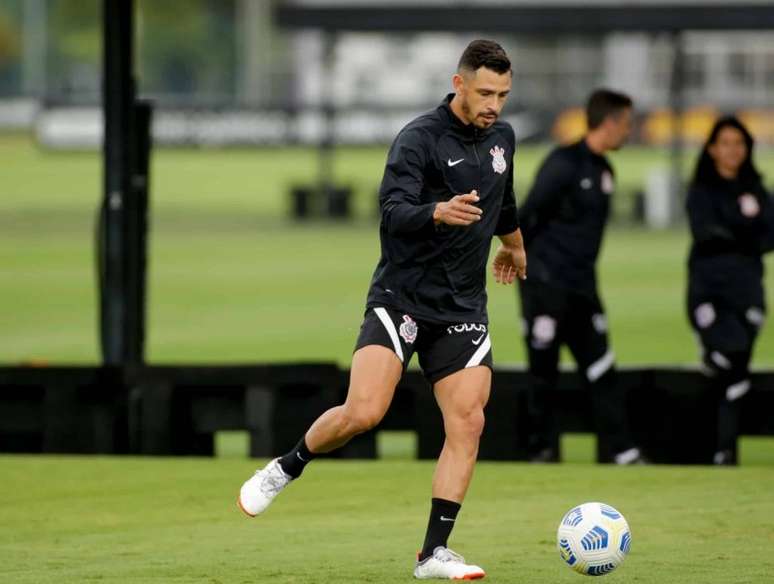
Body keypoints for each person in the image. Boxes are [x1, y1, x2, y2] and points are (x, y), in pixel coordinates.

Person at [237, 39, 526, 580]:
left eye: (504, 95)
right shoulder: (418, 139)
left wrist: (513, 244)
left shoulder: (502, 138)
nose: (494, 105)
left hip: (463, 306)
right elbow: (392, 212)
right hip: (403, 296)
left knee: (469, 423)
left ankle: (433, 553)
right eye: (485, 92)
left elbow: (502, 197)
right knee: (364, 412)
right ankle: (287, 466)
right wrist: (437, 212)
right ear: (458, 83)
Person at [516, 89, 645, 464]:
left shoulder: (605, 170)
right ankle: (539, 453)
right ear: (610, 122)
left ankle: (624, 452)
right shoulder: (563, 163)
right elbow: (527, 217)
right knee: (543, 373)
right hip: (546, 289)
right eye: (627, 124)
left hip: (583, 290)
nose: (629, 131)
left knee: (602, 368)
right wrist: (535, 277)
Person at [686, 116, 774, 466]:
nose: (733, 150)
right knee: (734, 362)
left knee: (734, 369)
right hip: (708, 293)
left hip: (748, 294)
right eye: (725, 143)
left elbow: (770, 236)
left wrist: (735, 234)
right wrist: (747, 235)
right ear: (712, 149)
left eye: (739, 143)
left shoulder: (757, 189)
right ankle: (724, 450)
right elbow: (707, 234)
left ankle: (722, 451)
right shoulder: (701, 191)